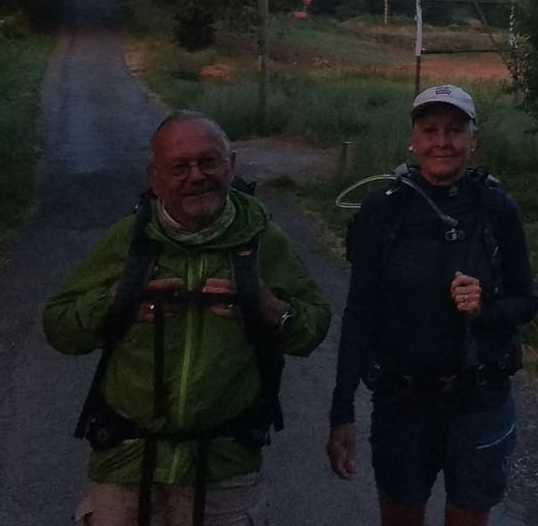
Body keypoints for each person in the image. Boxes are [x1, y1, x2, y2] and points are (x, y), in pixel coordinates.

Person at [45, 112, 330, 526]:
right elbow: (59, 328)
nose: (196, 176)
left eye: (208, 161)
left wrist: (274, 312)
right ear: (155, 177)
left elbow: (314, 326)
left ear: (231, 163)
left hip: (224, 468)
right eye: (179, 167)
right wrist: (114, 302)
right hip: (126, 463)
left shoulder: (263, 240)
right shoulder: (128, 240)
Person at [327, 85, 538, 526]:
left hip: (479, 401)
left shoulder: (495, 207)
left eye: (455, 130)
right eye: (430, 130)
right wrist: (341, 413)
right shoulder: (383, 211)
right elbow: (359, 314)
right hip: (402, 404)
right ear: (413, 139)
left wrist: (485, 310)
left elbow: (526, 302)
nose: (442, 142)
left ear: (474, 140)